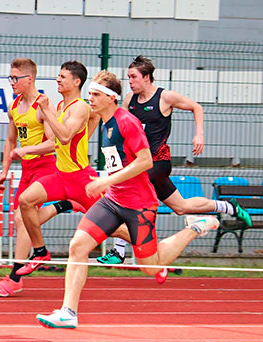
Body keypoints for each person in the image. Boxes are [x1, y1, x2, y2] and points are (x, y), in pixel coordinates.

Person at [35, 71, 220, 329]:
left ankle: (194, 227)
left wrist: (105, 180)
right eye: (90, 94)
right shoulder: (103, 121)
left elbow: (145, 161)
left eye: (96, 95)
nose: (91, 99)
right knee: (78, 246)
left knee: (150, 268)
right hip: (112, 201)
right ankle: (68, 312)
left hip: (139, 205)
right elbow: (65, 137)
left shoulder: (126, 122)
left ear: (111, 98)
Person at [97, 56, 251, 283]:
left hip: (157, 162)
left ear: (147, 77)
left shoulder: (165, 97)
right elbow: (120, 123)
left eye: (134, 77)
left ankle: (119, 251)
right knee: (182, 206)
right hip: (139, 163)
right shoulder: (130, 99)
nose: (129, 81)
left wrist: (199, 134)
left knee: (126, 192)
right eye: (128, 77)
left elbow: (196, 107)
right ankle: (228, 206)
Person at [0, 58, 83, 297]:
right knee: (22, 218)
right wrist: (5, 171)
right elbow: (11, 141)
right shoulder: (13, 106)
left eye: (15, 78)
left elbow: (53, 144)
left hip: (46, 167)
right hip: (27, 169)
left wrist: (27, 150)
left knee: (22, 218)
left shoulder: (43, 105)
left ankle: (15, 277)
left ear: (29, 79)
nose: (11, 82)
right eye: (10, 78)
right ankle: (65, 204)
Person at [15, 61, 102, 276]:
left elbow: (63, 137)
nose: (57, 80)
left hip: (81, 179)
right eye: (58, 75)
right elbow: (60, 139)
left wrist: (46, 111)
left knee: (113, 223)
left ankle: (149, 246)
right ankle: (40, 252)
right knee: (25, 201)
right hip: (61, 176)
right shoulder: (62, 106)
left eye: (62, 77)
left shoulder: (80, 106)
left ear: (76, 81)